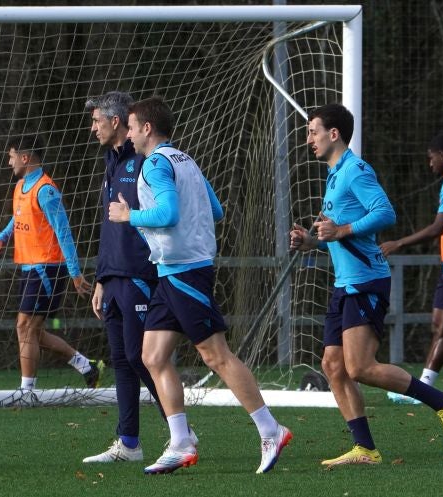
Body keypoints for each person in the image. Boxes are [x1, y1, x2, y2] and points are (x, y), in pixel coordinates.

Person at [108, 96, 291, 475]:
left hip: (185, 273)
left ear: (146, 128)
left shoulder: (155, 164)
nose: (126, 133)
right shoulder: (184, 159)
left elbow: (169, 213)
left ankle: (271, 430)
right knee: (152, 356)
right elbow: (217, 210)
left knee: (216, 355)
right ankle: (181, 441)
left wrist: (130, 215)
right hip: (171, 272)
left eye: (130, 126)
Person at [289, 103, 443, 468]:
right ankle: (365, 449)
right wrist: (313, 242)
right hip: (345, 283)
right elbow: (339, 233)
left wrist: (341, 230)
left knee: (359, 367)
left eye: (313, 131)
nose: (309, 138)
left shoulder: (355, 170)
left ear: (333, 134)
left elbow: (385, 212)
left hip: (366, 281)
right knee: (333, 365)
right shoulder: (334, 174)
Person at [81, 91, 180, 464]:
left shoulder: (147, 161)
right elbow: (112, 228)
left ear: (118, 121)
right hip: (115, 277)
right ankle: (129, 443)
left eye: (97, 120)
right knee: (122, 360)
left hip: (141, 273)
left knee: (144, 359)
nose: (92, 127)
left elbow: (162, 215)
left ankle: (181, 434)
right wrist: (102, 277)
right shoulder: (111, 160)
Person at [0, 134, 101, 394]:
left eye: (12, 156)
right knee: (32, 331)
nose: (9, 162)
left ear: (25, 158)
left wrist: (75, 273)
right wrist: (1, 238)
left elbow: (64, 232)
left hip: (48, 268)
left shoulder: (46, 190)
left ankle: (27, 392)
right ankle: (86, 366)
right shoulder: (20, 187)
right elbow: (17, 219)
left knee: (25, 327)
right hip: (29, 267)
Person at [379, 131, 443, 404]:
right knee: (440, 325)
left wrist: (399, 242)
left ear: (442, 155)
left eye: (431, 158)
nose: (430, 165)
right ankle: (424, 390)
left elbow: (439, 227)